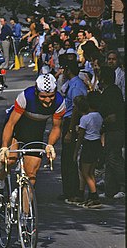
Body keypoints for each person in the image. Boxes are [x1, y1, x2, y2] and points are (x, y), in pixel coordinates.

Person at [0, 73, 66, 197]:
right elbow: (10, 124)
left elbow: (56, 127)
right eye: (43, 96)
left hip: (35, 133)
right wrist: (4, 146)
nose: (48, 100)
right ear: (37, 93)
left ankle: (26, 214)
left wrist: (50, 145)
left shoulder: (59, 102)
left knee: (31, 175)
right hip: (17, 128)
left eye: (51, 96)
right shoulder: (26, 96)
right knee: (9, 160)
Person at [60, 60, 87, 203]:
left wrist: (70, 130)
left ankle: (72, 191)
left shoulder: (76, 86)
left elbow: (76, 108)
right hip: (69, 120)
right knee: (67, 158)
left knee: (70, 158)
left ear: (68, 70)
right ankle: (68, 190)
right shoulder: (72, 84)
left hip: (72, 121)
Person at [98, 66, 125, 199]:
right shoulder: (111, 91)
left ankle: (123, 185)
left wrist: (103, 123)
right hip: (111, 130)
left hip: (115, 130)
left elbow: (113, 115)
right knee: (109, 159)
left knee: (114, 159)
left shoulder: (111, 92)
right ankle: (110, 189)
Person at [73, 93, 103, 208]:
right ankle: (91, 195)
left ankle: (94, 196)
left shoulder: (84, 119)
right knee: (91, 172)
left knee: (85, 172)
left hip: (88, 144)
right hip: (97, 144)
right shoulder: (98, 116)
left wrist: (75, 151)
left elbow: (80, 136)